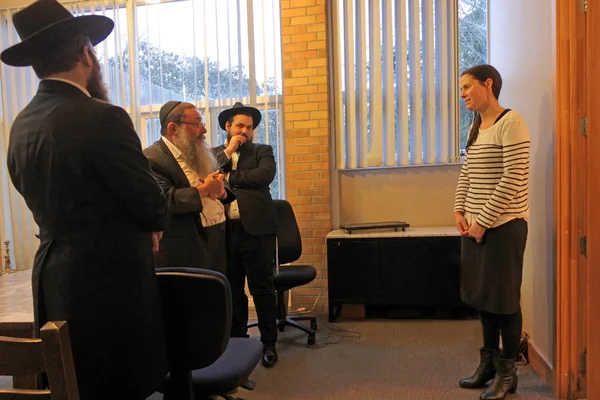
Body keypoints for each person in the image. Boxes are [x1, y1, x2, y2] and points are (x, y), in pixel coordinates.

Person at [1, 1, 169, 398]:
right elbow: (152, 204)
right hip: (107, 282)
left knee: (68, 379)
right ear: (83, 53)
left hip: (53, 276)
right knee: (116, 384)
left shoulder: (20, 126)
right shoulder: (103, 117)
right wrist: (150, 225)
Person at [453, 64, 530, 400]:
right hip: (476, 226)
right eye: (461, 90)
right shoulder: (476, 127)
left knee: (504, 301)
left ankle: (508, 374)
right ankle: (487, 365)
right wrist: (459, 209)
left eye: (468, 87)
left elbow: (513, 177)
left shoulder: (511, 122)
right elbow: (467, 173)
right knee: (484, 298)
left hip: (504, 227)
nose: (463, 94)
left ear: (489, 84)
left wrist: (483, 219)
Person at [213, 102, 279, 367]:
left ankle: (269, 344)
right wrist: (228, 154)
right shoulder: (215, 153)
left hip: (258, 231)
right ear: (228, 126)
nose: (245, 131)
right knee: (232, 289)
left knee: (262, 289)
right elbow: (209, 174)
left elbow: (265, 175)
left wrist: (230, 177)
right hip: (225, 232)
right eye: (240, 125)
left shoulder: (263, 151)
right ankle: (237, 342)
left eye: (249, 127)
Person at [144, 101, 233, 273]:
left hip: (217, 239)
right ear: (173, 128)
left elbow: (216, 182)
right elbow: (165, 201)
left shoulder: (194, 151)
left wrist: (221, 191)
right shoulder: (151, 158)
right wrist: (205, 189)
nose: (204, 130)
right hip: (186, 250)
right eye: (197, 123)